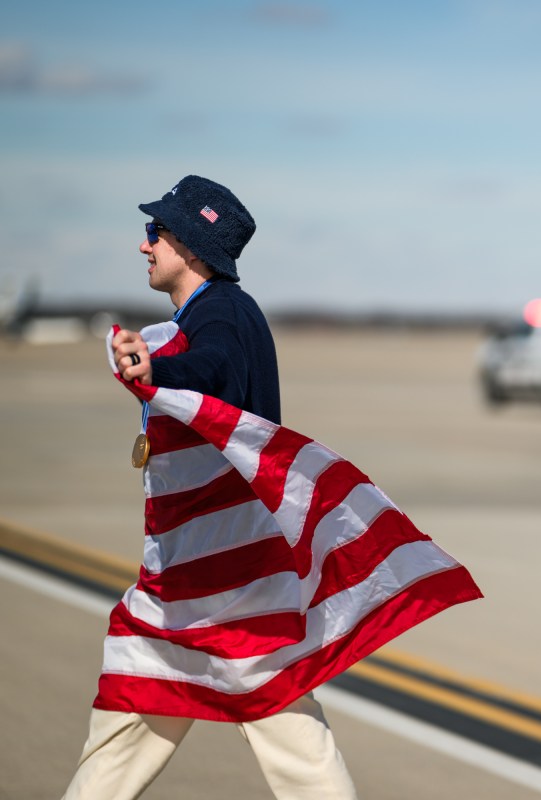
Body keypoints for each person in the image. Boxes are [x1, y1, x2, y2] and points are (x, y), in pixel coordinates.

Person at [64, 176, 358, 799]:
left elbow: (213, 370)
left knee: (289, 737)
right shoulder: (207, 313)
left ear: (190, 248)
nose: (145, 245)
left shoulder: (222, 314)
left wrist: (159, 370)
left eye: (157, 233)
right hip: (196, 582)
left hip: (228, 586)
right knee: (133, 719)